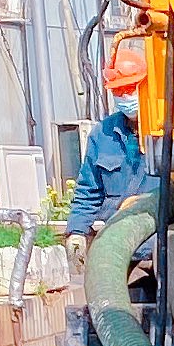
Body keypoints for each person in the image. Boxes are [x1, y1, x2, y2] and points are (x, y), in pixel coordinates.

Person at [65, 35, 153, 242]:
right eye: (118, 91)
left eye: (130, 89)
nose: (124, 96)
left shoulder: (173, 132)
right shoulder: (102, 135)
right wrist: (77, 231)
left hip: (166, 238)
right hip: (117, 239)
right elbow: (88, 190)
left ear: (147, 85)